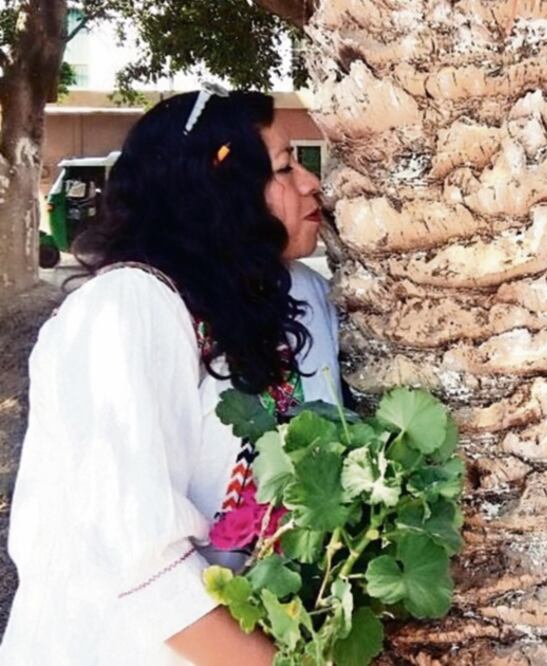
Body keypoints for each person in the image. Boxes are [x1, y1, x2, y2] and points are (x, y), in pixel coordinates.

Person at [0, 88, 341, 665]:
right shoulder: (127, 308)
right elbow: (138, 557)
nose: (311, 183)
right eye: (284, 167)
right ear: (217, 188)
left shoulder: (299, 297)